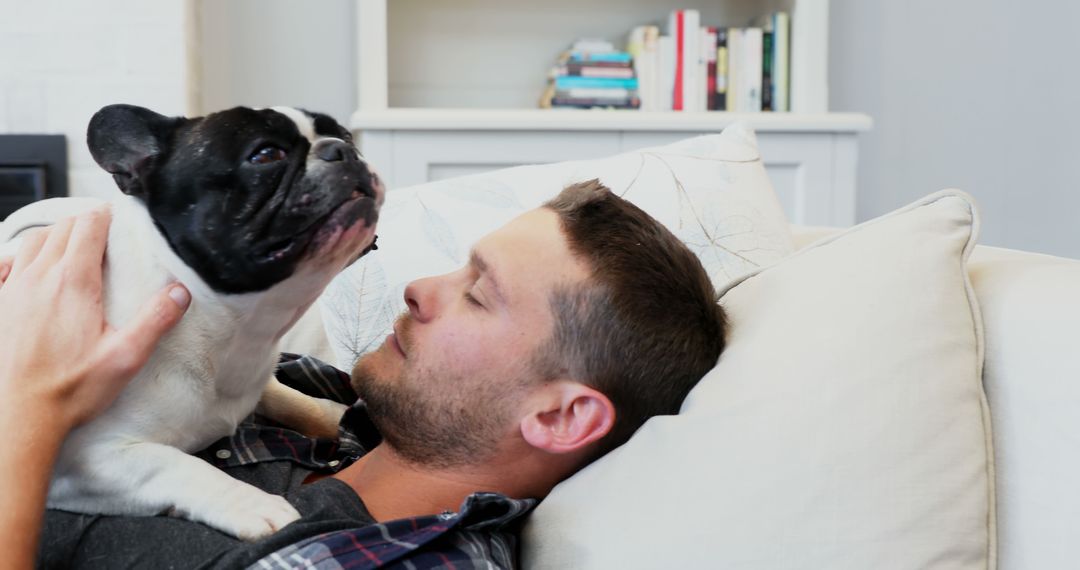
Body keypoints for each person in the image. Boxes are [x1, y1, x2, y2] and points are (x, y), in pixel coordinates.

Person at [1, 180, 727, 569]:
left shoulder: (392, 560)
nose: (420, 288)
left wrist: (25, 403)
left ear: (561, 417)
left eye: (477, 293)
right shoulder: (324, 402)